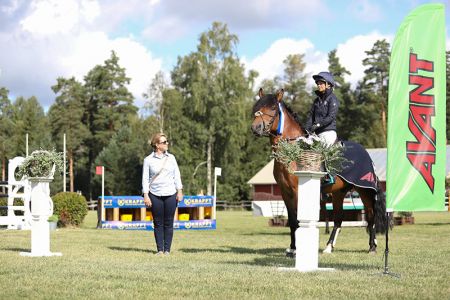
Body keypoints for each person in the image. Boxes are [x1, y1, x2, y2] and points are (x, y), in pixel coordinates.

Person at [142, 133, 183, 256]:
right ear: (157, 145)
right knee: (158, 223)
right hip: (154, 194)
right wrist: (146, 194)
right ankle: (160, 250)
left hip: (170, 193)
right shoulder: (148, 160)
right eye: (164, 142)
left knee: (169, 222)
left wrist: (179, 190)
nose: (167, 144)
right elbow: (145, 179)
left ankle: (167, 250)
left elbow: (177, 175)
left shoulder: (171, 158)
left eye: (166, 141)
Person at [304, 71, 339, 147]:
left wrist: (318, 124)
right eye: (318, 84)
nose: (318, 85)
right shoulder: (316, 101)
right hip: (316, 134)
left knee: (321, 155)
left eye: (321, 83)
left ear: (328, 85)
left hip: (328, 132)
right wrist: (306, 129)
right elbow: (311, 117)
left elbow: (331, 117)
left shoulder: (332, 99)